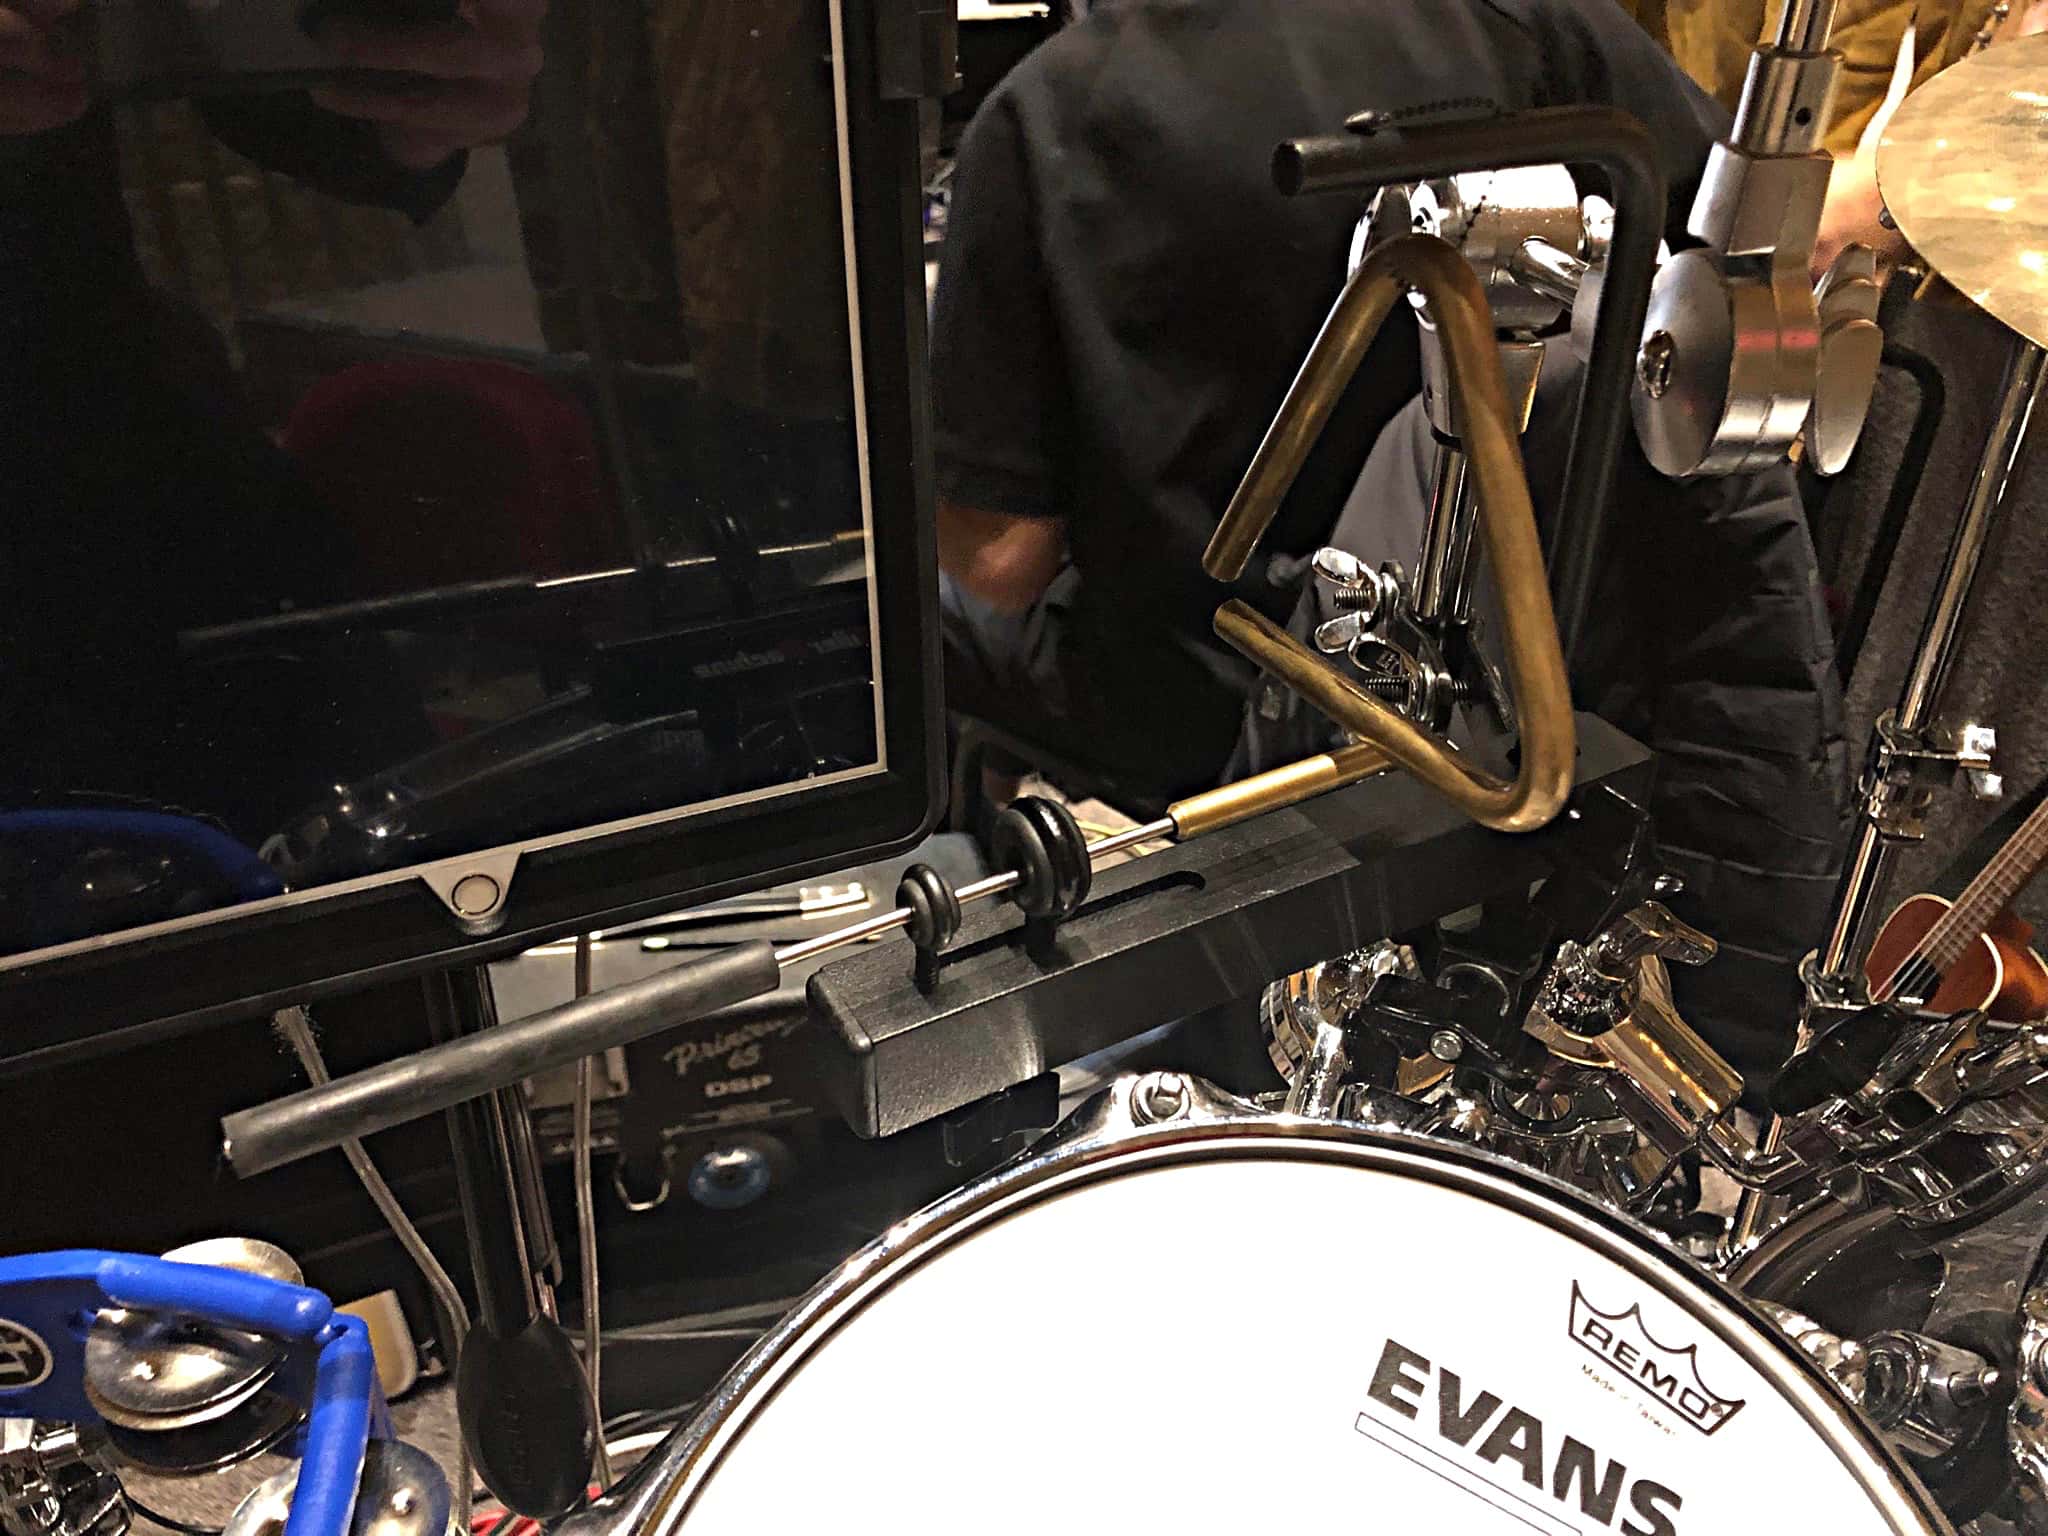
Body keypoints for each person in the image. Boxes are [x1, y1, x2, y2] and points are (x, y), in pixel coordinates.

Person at [929, 0, 1730, 805]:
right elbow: (1727, 269)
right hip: (1531, 673)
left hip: (1205, 715)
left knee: (912, 607)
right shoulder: (1530, 23)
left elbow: (1002, 562)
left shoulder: (1042, 115)